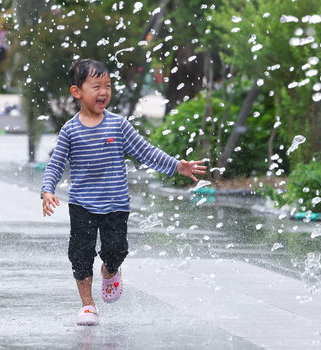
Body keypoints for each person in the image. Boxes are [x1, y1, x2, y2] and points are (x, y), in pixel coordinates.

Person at [41, 59, 205, 326]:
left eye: (107, 85)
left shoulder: (118, 126)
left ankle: (110, 269)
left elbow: (145, 152)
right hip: (82, 204)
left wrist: (177, 166)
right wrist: (47, 190)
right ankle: (88, 306)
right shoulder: (70, 130)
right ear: (77, 92)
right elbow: (55, 165)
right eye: (96, 86)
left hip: (116, 204)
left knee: (116, 250)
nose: (104, 91)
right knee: (80, 254)